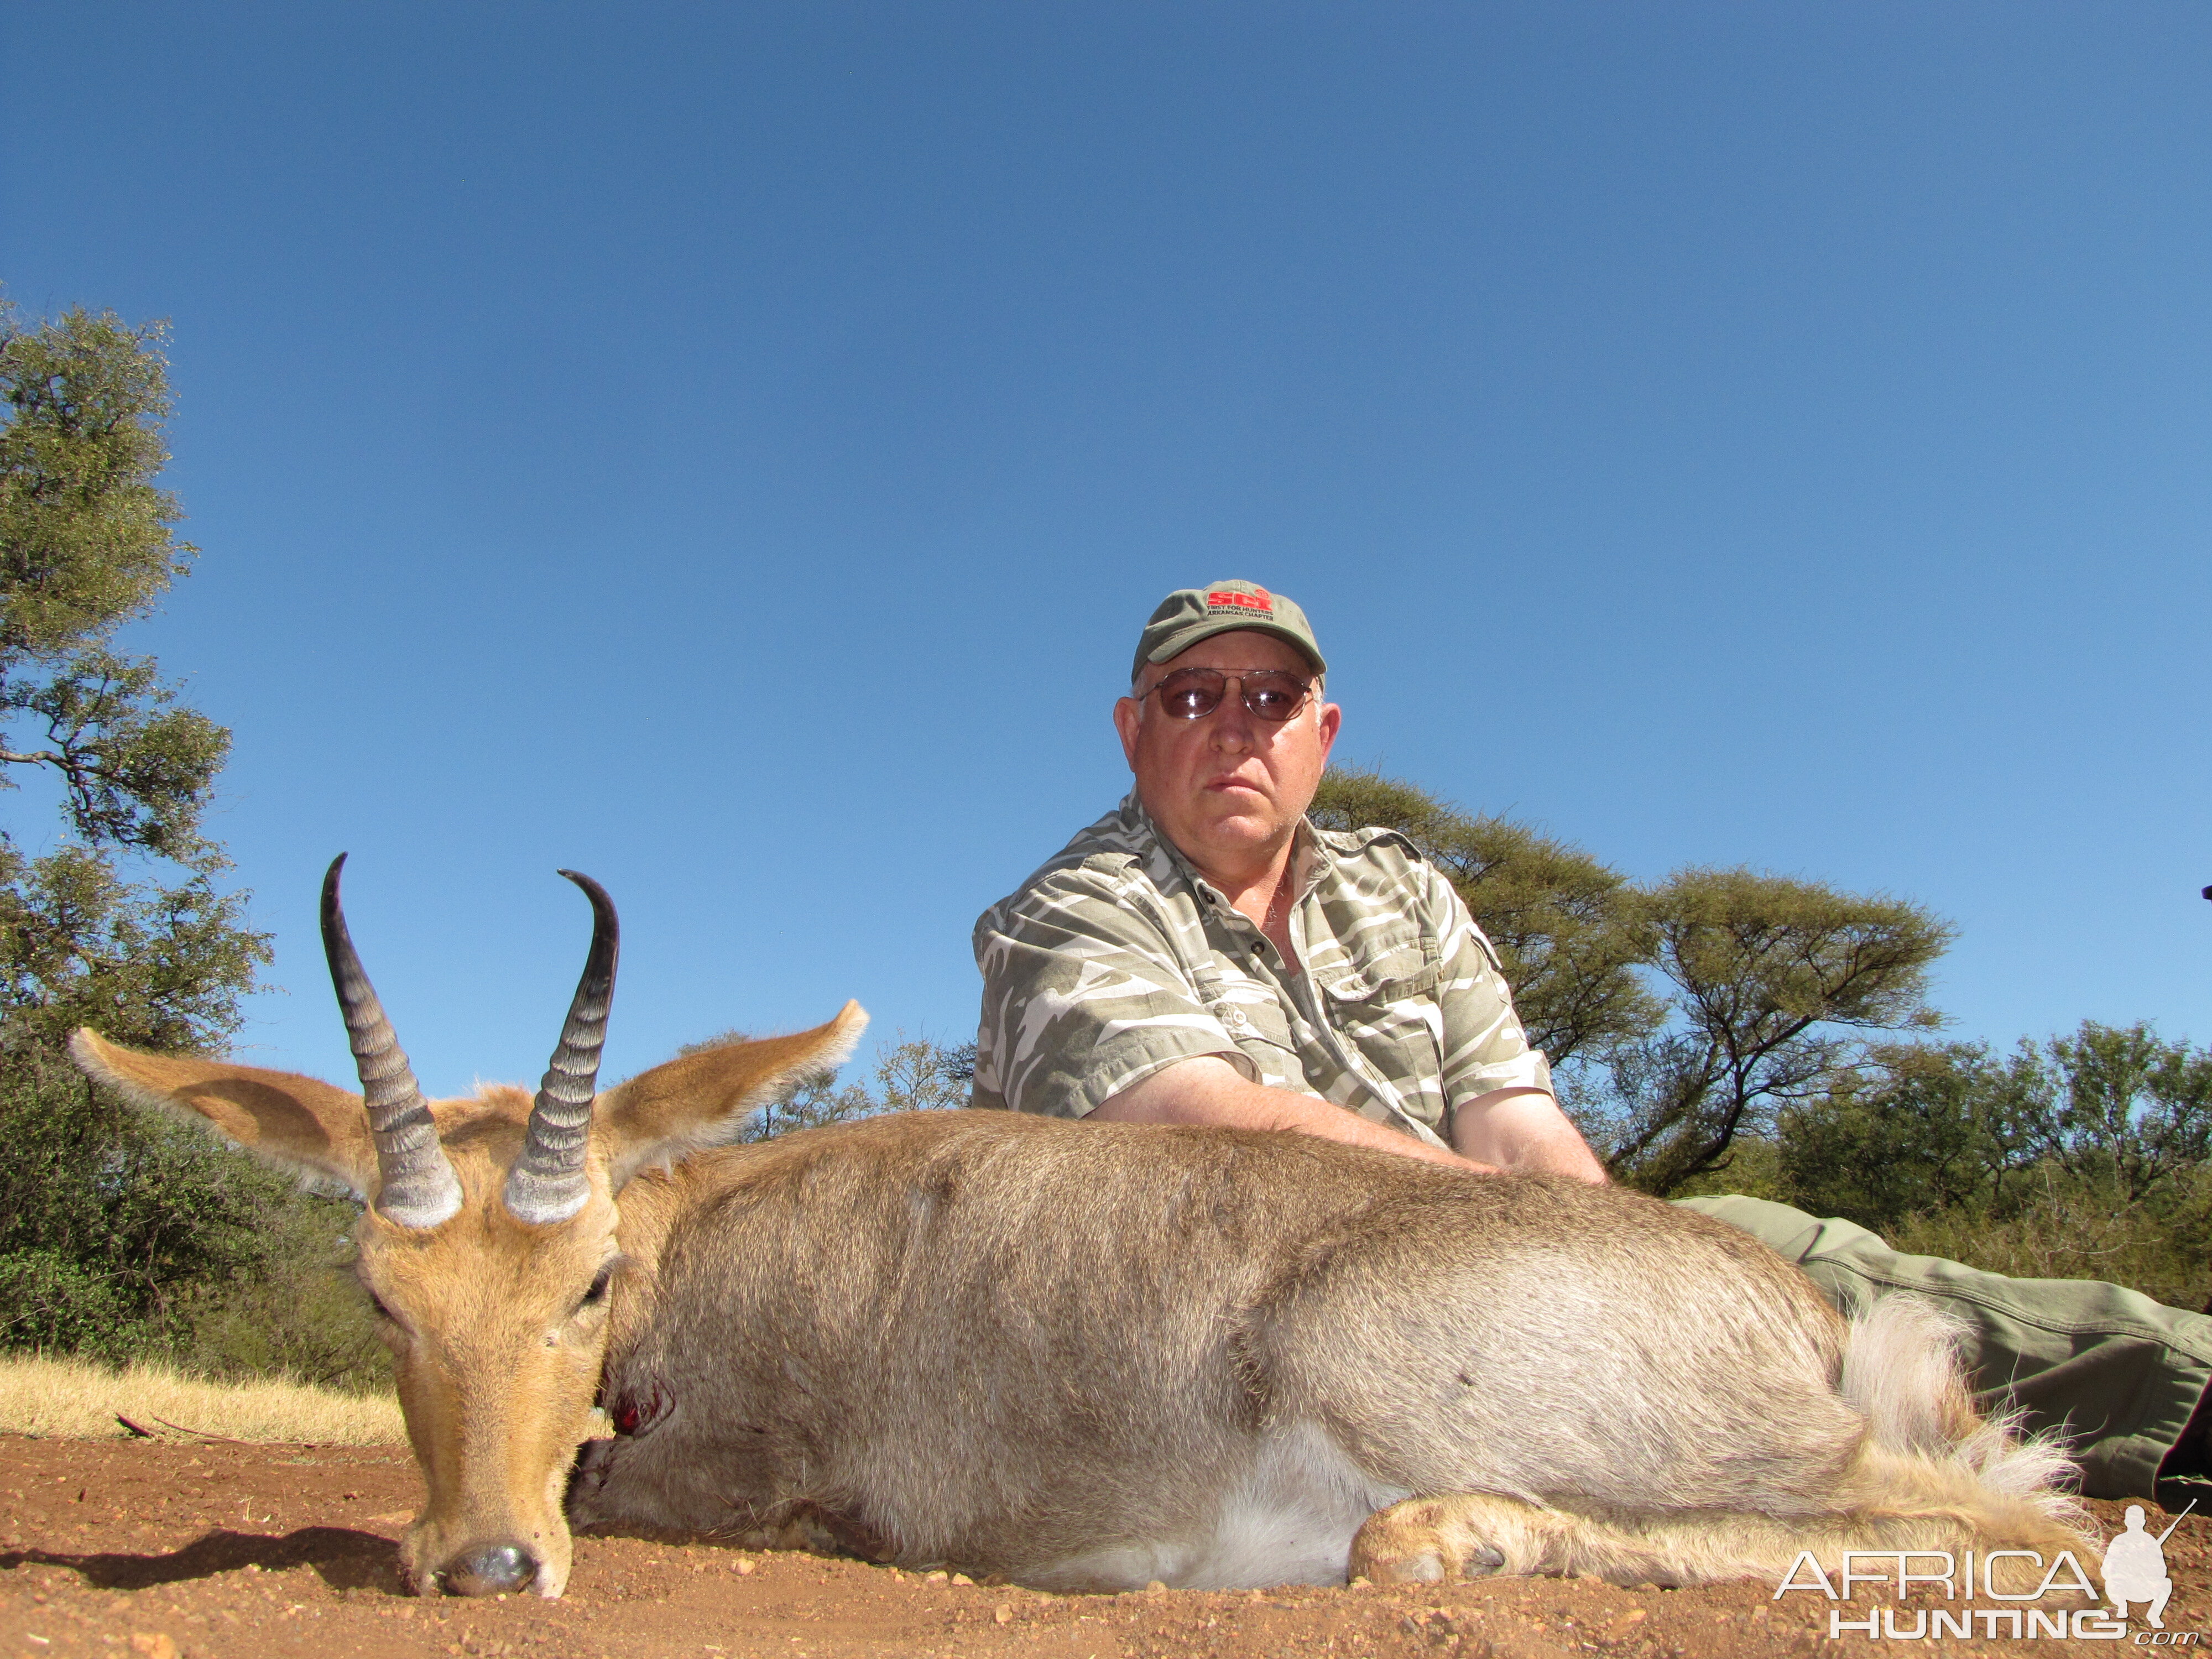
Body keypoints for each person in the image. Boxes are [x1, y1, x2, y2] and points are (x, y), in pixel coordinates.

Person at [972, 577, 2212, 1509]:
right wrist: (1558, 1253)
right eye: (1193, 698)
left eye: (1270, 698)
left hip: (1472, 1279)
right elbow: (1187, 1118)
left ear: (1323, 733)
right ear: (1133, 733)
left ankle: (2176, 1397)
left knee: (1763, 1247)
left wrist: (1622, 1246)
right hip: (1222, 1345)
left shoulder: (1398, 889)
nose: (1234, 728)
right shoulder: (1067, 910)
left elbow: (1511, 1118)